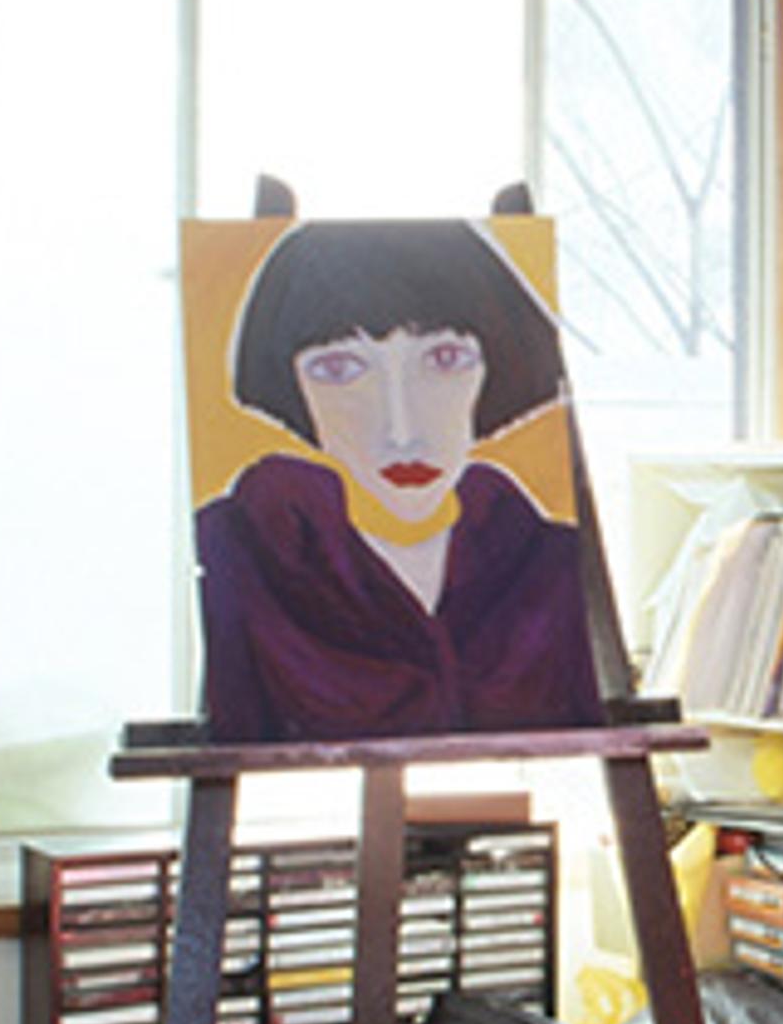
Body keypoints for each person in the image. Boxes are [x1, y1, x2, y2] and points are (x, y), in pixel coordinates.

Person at [194, 217, 607, 744]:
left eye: (444, 359)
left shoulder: (545, 562)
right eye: (340, 369)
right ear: (290, 383)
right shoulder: (244, 550)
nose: (402, 432)